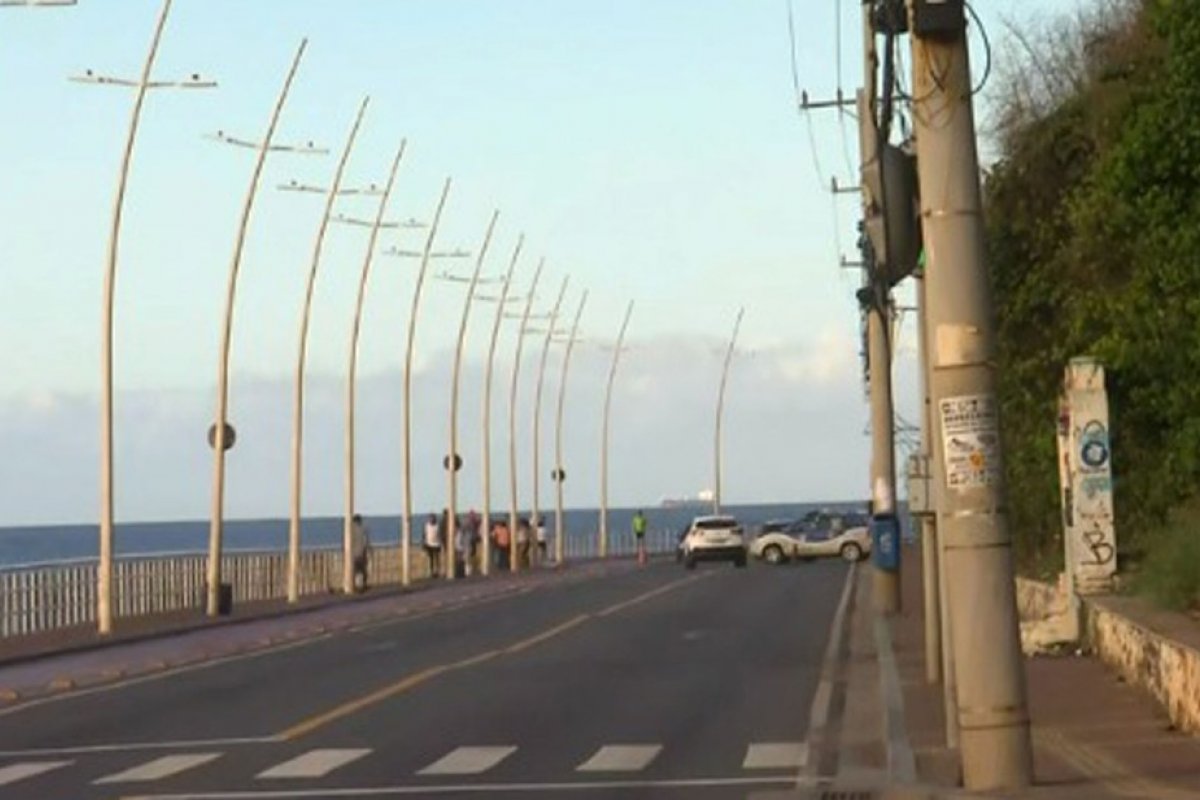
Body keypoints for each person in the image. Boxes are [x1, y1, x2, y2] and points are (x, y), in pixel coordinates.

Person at [351, 513, 371, 592]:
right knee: (362, 570)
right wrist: (369, 550)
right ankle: (361, 586)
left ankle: (356, 586)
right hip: (362, 553)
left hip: (353, 554)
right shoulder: (363, 529)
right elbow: (366, 541)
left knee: (356, 570)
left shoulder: (351, 530)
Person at [423, 513, 441, 578]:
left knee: (436, 558)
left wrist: (440, 543)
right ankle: (431, 571)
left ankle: (437, 571)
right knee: (430, 558)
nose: (431, 519)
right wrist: (424, 543)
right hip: (429, 543)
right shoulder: (426, 525)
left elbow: (439, 534)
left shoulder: (437, 526)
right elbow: (424, 534)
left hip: (436, 544)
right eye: (430, 518)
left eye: (432, 518)